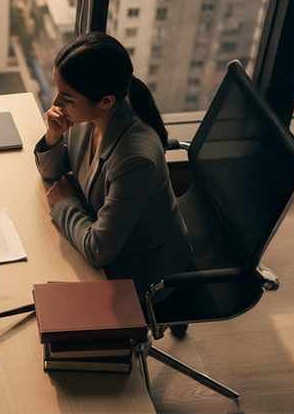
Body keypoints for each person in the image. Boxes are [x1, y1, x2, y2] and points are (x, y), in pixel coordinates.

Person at [35, 32, 192, 301]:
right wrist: (53, 135)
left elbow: (99, 250)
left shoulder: (135, 159)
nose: (56, 104)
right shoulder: (89, 116)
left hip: (142, 269)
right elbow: (52, 175)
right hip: (102, 233)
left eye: (67, 97)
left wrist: (64, 203)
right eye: (57, 91)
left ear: (106, 101)